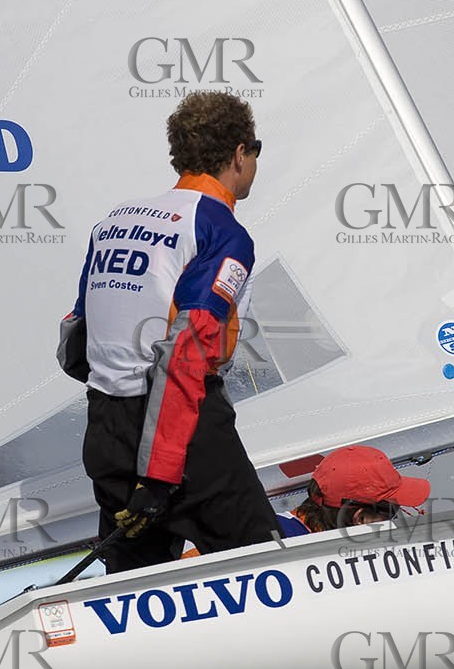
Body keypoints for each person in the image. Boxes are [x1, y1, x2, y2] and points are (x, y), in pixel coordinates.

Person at [58, 91, 276, 572]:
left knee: (133, 588)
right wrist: (160, 474)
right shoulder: (222, 231)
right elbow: (187, 351)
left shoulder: (114, 221)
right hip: (184, 435)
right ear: (239, 153)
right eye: (256, 149)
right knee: (268, 567)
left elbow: (76, 337)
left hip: (106, 427)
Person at [277, 445, 431, 536]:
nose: (395, 520)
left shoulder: (278, 528)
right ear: (361, 519)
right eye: (392, 513)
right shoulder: (292, 552)